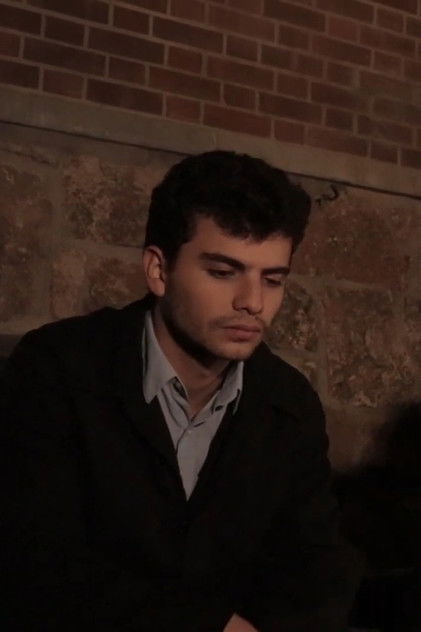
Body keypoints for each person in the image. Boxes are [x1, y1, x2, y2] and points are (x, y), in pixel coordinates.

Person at [1, 151, 357, 631]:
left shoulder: (288, 402)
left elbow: (317, 565)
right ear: (158, 270)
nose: (253, 302)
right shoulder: (59, 367)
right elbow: (34, 560)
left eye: (272, 279)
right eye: (223, 272)